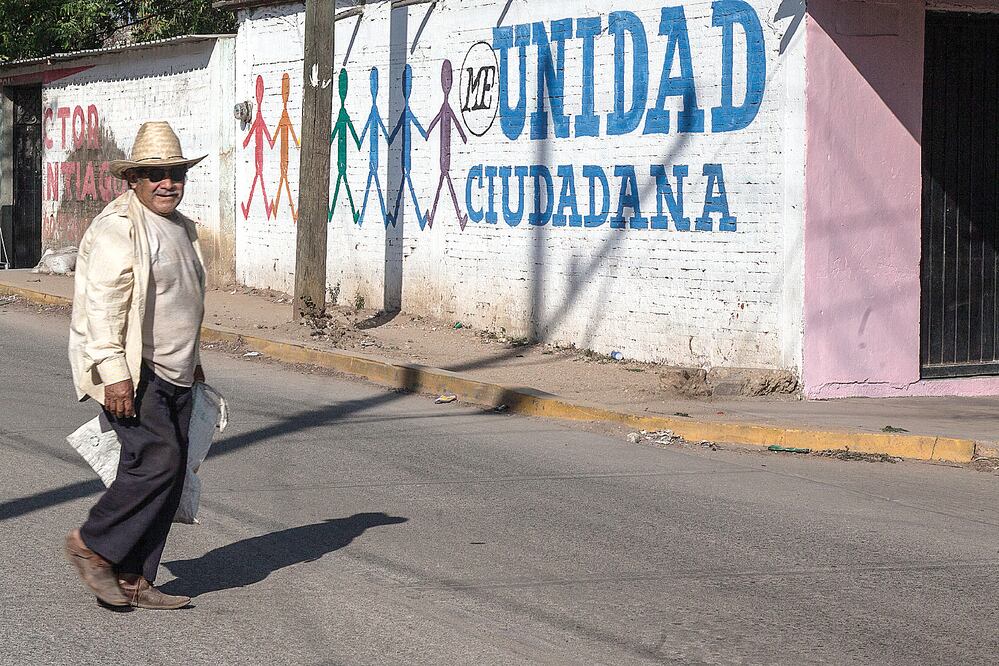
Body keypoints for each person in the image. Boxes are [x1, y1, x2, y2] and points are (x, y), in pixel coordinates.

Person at [66, 121, 208, 610]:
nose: (167, 182)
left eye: (175, 173)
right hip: (135, 369)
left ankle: (134, 578)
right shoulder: (120, 228)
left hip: (179, 371)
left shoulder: (182, 229)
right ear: (134, 180)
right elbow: (102, 306)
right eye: (155, 174)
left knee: (169, 472)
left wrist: (196, 364)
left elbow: (179, 303)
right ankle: (92, 545)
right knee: (158, 462)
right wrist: (115, 373)